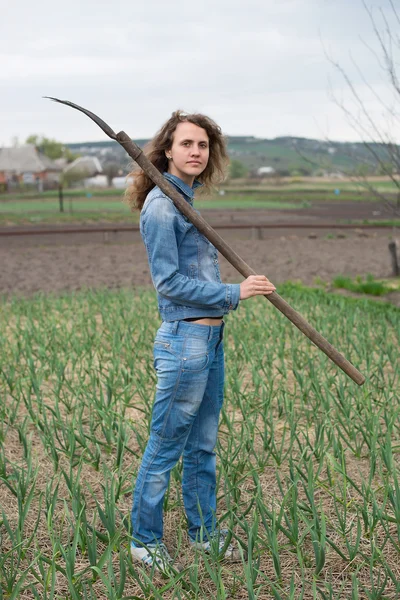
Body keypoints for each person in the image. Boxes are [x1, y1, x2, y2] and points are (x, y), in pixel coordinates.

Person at [125, 110, 276, 573]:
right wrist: (235, 292)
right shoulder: (162, 206)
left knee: (203, 445)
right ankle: (145, 540)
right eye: (186, 144)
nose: (195, 152)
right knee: (166, 444)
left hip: (210, 341)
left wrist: (228, 301)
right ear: (167, 150)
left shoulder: (185, 199)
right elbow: (168, 283)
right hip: (184, 341)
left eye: (203, 145)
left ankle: (204, 534)